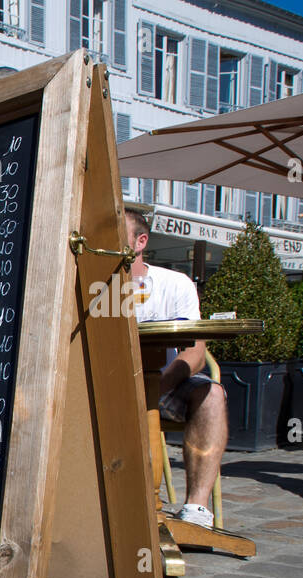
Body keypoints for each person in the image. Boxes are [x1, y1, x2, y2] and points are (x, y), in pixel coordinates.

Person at [126, 209, 227, 528]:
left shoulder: (174, 284)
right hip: (104, 389)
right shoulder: (90, 284)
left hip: (163, 385)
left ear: (140, 241)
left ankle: (196, 509)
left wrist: (157, 387)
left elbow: (196, 351)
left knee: (211, 395)